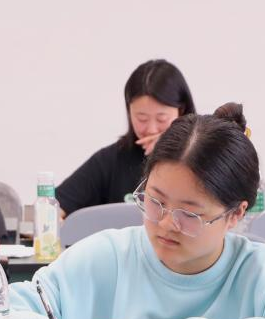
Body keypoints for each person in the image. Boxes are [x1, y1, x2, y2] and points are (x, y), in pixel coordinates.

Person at [11, 103, 265, 319]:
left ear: (235, 214)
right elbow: (4, 308)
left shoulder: (258, 269)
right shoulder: (104, 257)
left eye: (188, 214)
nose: (165, 224)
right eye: (155, 201)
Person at [56, 59, 195, 217]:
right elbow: (53, 207)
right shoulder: (110, 160)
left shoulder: (205, 159)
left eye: (161, 118)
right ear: (129, 112)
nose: (151, 129)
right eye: (142, 118)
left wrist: (173, 146)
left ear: (181, 111)